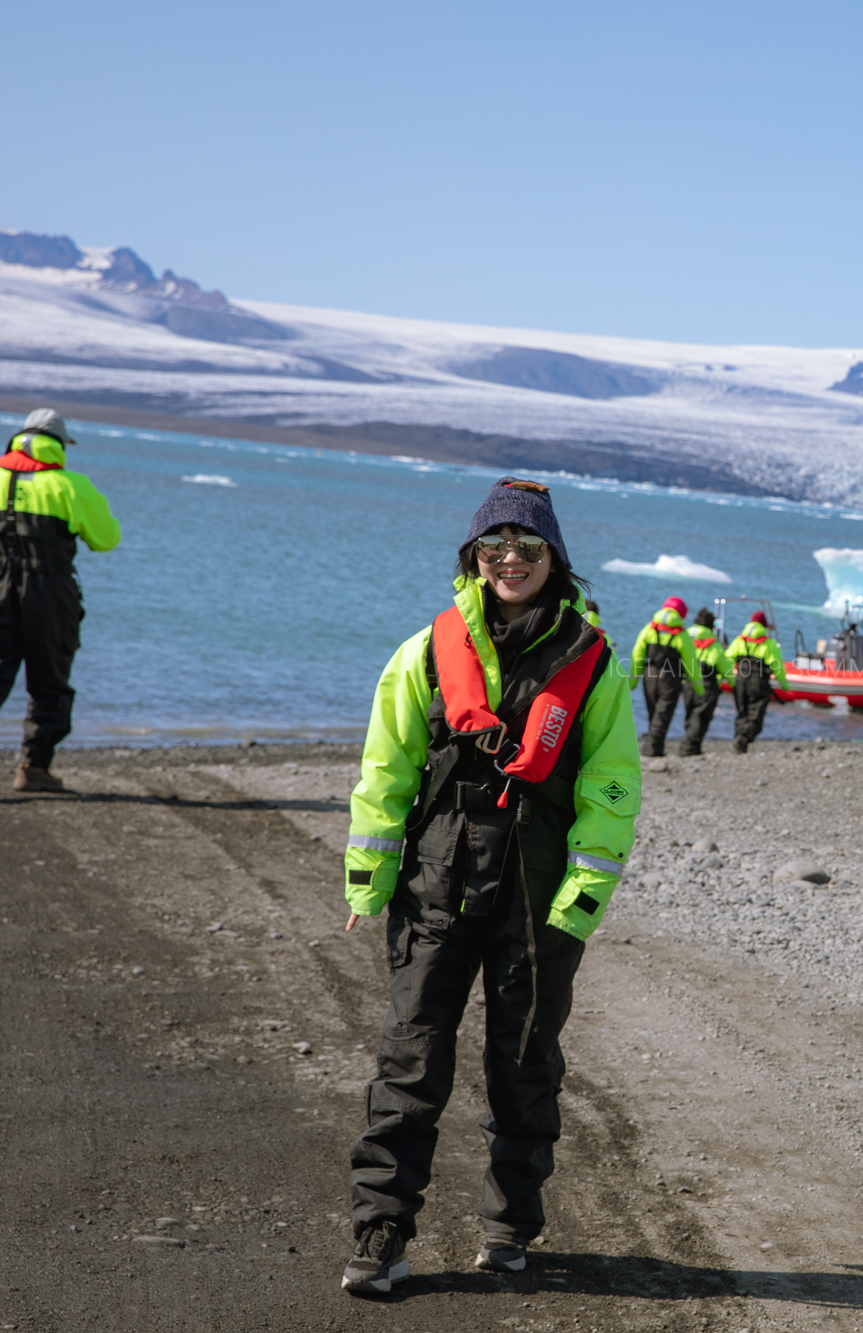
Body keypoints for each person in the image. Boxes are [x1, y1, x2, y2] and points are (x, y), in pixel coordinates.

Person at [339, 476, 640, 1295]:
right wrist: (368, 883)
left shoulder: (595, 663)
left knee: (524, 1065)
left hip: (538, 902)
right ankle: (380, 1233)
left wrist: (581, 901)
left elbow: (610, 791)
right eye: (495, 545)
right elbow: (385, 770)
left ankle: (507, 1228)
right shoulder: (425, 651)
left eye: (529, 545)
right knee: (410, 1061)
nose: (511, 558)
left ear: (555, 559)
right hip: (435, 888)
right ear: (472, 556)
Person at [0, 409, 120, 798]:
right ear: (59, 445)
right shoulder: (70, 485)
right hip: (49, 590)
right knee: (50, 680)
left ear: (19, 439)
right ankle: (33, 767)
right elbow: (106, 539)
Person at [628, 595, 703, 756]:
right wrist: (699, 687)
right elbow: (691, 664)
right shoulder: (681, 635)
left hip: (649, 675)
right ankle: (652, 750)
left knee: (653, 713)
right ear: (681, 614)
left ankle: (654, 749)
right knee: (662, 716)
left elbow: (637, 654)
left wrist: (632, 681)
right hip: (670, 678)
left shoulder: (649, 628)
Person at [727, 610, 787, 752]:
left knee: (742, 713)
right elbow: (776, 664)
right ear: (764, 626)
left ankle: (739, 745)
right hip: (758, 682)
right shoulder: (769, 643)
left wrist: (727, 677)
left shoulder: (739, 640)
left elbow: (727, 658)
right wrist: (784, 684)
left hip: (740, 680)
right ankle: (742, 739)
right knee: (755, 717)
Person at [680, 608, 732, 756]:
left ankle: (693, 748)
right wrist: (733, 683)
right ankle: (688, 749)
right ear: (711, 627)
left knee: (690, 715)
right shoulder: (714, 645)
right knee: (701, 717)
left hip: (687, 682)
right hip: (708, 685)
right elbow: (726, 669)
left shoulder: (684, 638)